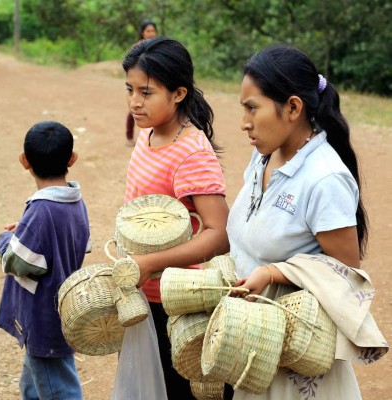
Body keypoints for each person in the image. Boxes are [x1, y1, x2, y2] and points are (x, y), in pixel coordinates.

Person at [226, 45, 385, 399]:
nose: (244, 123)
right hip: (252, 346)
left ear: (294, 108)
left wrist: (271, 274)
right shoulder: (263, 155)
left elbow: (346, 274)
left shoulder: (325, 179)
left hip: (296, 361)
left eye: (253, 108)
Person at [122, 37, 230, 399]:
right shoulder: (148, 135)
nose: (134, 102)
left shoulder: (191, 152)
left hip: (181, 304)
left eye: (146, 92)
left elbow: (219, 233)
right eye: (130, 89)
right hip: (144, 295)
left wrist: (150, 262)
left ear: (178, 93)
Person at [0, 120, 91, 400]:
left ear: (24, 161)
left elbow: (18, 262)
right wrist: (26, 229)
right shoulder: (74, 200)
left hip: (44, 315)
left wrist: (5, 241)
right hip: (61, 307)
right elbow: (75, 241)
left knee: (59, 389)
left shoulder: (41, 208)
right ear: (72, 159)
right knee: (34, 383)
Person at [125, 19, 157, 147]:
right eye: (148, 31)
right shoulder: (137, 48)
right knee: (134, 109)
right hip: (139, 83)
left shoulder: (158, 47)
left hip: (153, 84)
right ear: (142, 33)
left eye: (153, 30)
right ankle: (129, 136)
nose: (151, 33)